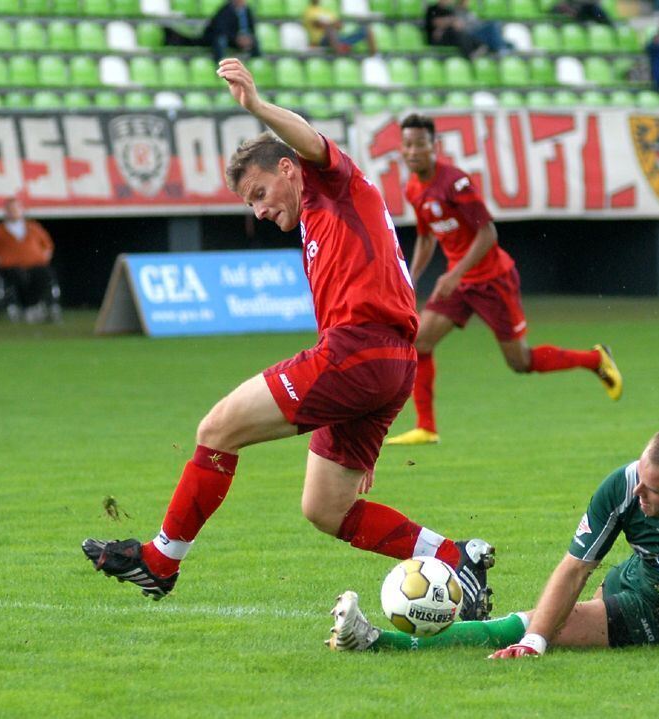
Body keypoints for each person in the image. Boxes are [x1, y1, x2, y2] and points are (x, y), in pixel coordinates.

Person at [81, 57, 495, 622]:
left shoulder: (331, 181)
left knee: (216, 428)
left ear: (287, 167)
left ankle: (161, 560)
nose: (259, 208)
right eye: (249, 203)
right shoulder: (320, 222)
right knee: (326, 507)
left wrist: (257, 106)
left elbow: (310, 140)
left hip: (360, 350)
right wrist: (354, 408)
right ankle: (456, 558)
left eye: (259, 191)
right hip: (382, 365)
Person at [327, 426, 659, 662]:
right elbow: (575, 567)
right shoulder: (624, 485)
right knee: (561, 614)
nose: (637, 492)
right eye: (639, 477)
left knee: (543, 623)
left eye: (653, 489)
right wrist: (538, 643)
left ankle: (378, 643)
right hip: (636, 581)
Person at [384, 114, 622, 446]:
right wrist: (410, 278)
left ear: (433, 146)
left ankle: (595, 359)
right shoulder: (413, 187)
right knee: (420, 342)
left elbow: (487, 234)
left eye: (419, 144)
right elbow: (426, 237)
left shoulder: (456, 184)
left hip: (493, 281)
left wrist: (454, 273)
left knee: (519, 362)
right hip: (459, 283)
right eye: (407, 145)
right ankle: (426, 427)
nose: (412, 152)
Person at [0, 197, 61, 324]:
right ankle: (27, 307)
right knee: (18, 277)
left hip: (35, 265)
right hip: (11, 267)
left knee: (44, 275)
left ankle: (37, 305)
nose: (13, 212)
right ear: (5, 211)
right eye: (10, 209)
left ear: (22, 210)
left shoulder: (34, 227)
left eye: (16, 208)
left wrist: (44, 256)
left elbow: (48, 245)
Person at [164, 0, 261, 63]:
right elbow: (221, 29)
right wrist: (236, 39)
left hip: (241, 38)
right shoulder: (225, 10)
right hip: (226, 38)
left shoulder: (247, 11)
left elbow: (251, 28)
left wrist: (247, 38)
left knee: (255, 41)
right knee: (220, 40)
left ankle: (256, 63)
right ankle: (220, 63)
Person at [424, 0, 510, 58]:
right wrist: (449, 22)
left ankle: (493, 46)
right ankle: (472, 52)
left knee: (461, 32)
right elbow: (436, 22)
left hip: (449, 33)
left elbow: (456, 24)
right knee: (459, 33)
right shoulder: (432, 9)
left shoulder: (449, 11)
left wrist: (448, 23)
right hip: (438, 38)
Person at [303, 0, 378, 56]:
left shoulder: (327, 11)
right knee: (330, 30)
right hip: (321, 40)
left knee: (366, 29)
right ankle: (340, 54)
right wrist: (331, 24)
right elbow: (318, 24)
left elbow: (339, 25)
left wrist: (329, 24)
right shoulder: (309, 11)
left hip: (337, 38)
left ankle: (373, 56)